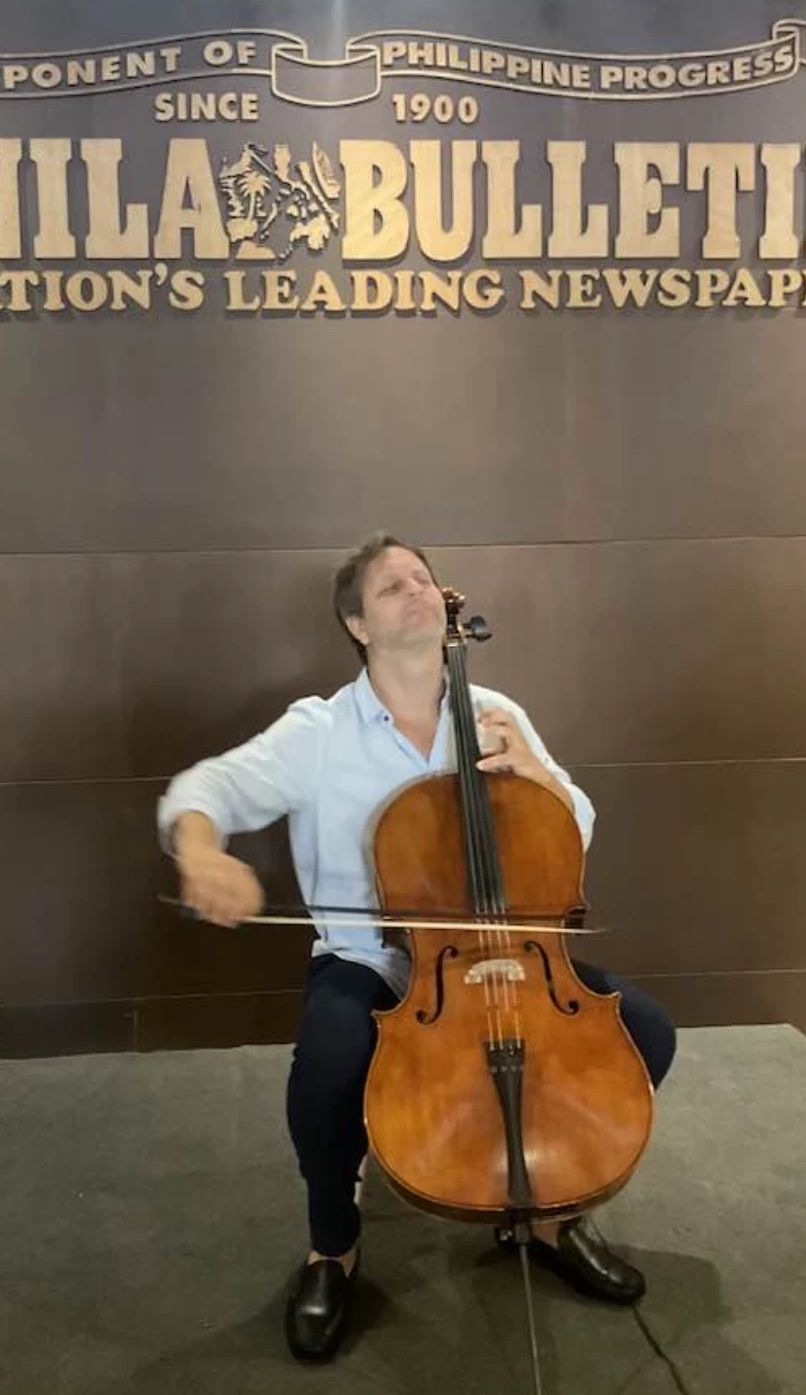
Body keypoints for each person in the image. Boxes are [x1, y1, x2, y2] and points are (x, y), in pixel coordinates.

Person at [157, 533, 676, 1362]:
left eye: (424, 580)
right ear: (358, 624)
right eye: (393, 585)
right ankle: (334, 1245)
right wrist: (200, 848)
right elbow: (206, 789)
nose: (418, 592)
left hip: (506, 951)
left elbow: (571, 825)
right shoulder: (319, 731)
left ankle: (546, 1218)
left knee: (644, 1032)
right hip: (371, 958)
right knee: (328, 1065)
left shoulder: (496, 712)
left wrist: (539, 775)